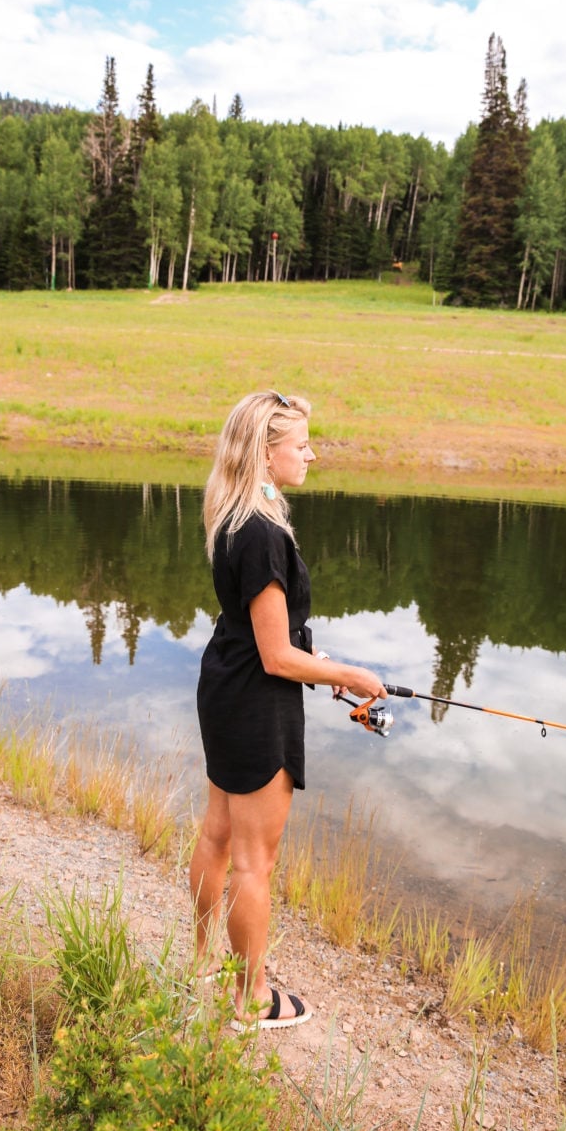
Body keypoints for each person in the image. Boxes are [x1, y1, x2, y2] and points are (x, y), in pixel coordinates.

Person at [189, 390, 388, 1029]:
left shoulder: (235, 513)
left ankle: (202, 963)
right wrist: (348, 674)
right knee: (255, 861)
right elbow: (276, 659)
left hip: (226, 683)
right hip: (256, 700)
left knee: (217, 833)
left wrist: (314, 658)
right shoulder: (264, 533)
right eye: (301, 444)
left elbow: (265, 631)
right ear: (266, 452)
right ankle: (252, 999)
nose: (311, 454)